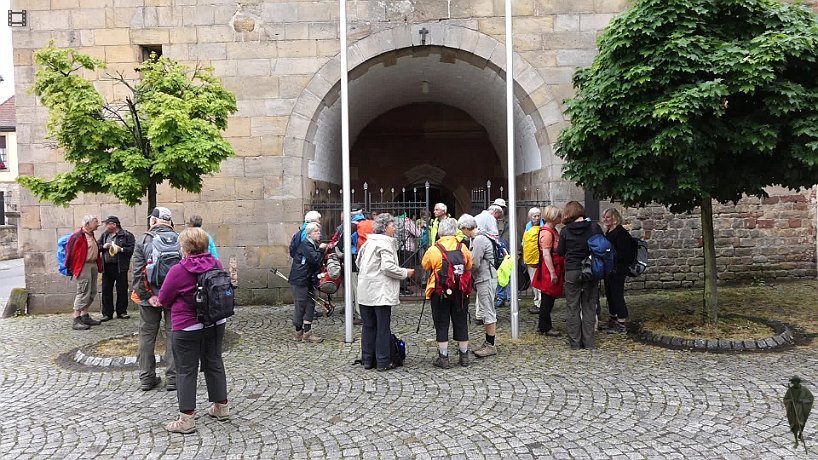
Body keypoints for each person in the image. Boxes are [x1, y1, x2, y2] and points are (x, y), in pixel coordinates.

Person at [159, 227, 230, 434]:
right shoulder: (215, 263)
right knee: (214, 362)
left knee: (186, 370)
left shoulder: (179, 270)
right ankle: (221, 407)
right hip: (216, 322)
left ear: (186, 248)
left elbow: (164, 299)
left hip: (187, 326)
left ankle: (187, 419)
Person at [356, 213, 414, 371]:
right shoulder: (385, 244)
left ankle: (368, 359)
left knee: (368, 326)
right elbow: (387, 267)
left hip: (365, 290)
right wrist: (405, 273)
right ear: (384, 227)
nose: (394, 228)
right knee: (382, 327)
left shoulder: (368, 243)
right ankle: (382, 361)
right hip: (380, 292)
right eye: (392, 225)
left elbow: (358, 262)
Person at [134, 207, 178, 391]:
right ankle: (174, 378)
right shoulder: (180, 239)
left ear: (153, 221)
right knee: (173, 335)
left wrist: (149, 295)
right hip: (174, 296)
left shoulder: (143, 240)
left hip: (148, 298)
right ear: (170, 222)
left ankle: (147, 378)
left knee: (147, 336)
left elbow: (137, 272)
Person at [422, 217, 473, 368]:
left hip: (440, 291)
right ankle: (464, 356)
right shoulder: (462, 247)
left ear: (440, 232)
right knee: (461, 321)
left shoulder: (434, 249)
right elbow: (469, 264)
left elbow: (425, 265)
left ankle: (443, 357)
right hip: (460, 291)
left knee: (442, 322)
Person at [557, 201, 603, 350]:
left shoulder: (565, 231)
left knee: (573, 308)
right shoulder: (594, 227)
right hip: (591, 270)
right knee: (589, 307)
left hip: (572, 271)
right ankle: (589, 342)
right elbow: (603, 246)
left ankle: (575, 343)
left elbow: (560, 252)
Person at [458, 214, 499, 358]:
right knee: (486, 309)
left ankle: (491, 345)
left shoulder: (479, 239)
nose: (462, 233)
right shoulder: (480, 237)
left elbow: (474, 263)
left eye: (462, 230)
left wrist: (462, 270)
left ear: (466, 228)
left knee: (488, 311)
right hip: (485, 277)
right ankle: (488, 342)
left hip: (486, 278)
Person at [289, 222, 328, 343]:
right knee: (300, 305)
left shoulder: (312, 244)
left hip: (308, 279)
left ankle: (307, 333)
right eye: (316, 231)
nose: (318, 233)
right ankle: (298, 332)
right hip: (300, 280)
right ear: (309, 234)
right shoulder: (306, 244)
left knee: (310, 305)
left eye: (319, 231)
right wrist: (322, 250)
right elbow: (315, 259)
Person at [65, 215, 103, 330]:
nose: (98, 224)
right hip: (83, 266)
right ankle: (76, 319)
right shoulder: (77, 236)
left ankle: (84, 315)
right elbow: (70, 254)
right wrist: (73, 268)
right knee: (83, 291)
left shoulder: (90, 235)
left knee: (91, 291)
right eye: (95, 222)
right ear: (87, 224)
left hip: (92, 265)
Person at [602, 207, 637, 334]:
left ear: (615, 218)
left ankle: (622, 324)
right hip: (609, 269)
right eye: (604, 217)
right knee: (610, 295)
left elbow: (625, 253)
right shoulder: (609, 231)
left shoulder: (620, 233)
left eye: (608, 217)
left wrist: (614, 260)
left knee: (617, 295)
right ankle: (613, 319)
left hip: (618, 269)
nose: (605, 219)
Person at [97, 216, 135, 321]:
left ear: (114, 225)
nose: (106, 226)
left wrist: (120, 249)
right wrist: (103, 246)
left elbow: (131, 249)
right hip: (107, 266)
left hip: (120, 267)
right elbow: (97, 246)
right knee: (106, 290)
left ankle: (122, 312)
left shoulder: (127, 235)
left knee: (122, 289)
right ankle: (107, 313)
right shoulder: (104, 235)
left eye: (107, 224)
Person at [534, 206, 564, 337]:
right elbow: (546, 254)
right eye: (558, 216)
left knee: (549, 298)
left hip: (552, 267)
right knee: (547, 298)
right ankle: (545, 326)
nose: (560, 218)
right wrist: (552, 273)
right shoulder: (547, 233)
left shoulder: (551, 230)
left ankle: (544, 325)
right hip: (549, 269)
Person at [523, 207, 545, 315]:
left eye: (538, 215)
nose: (536, 218)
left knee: (539, 282)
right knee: (533, 281)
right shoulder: (528, 226)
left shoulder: (543, 226)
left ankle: (541, 303)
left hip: (540, 258)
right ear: (530, 217)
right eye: (534, 216)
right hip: (530, 258)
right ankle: (536, 301)